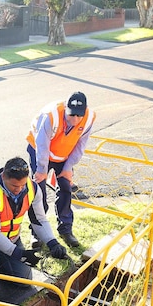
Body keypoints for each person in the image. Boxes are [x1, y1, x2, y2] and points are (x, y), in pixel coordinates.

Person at [0, 157, 67, 299]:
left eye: (22, 185)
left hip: (12, 240)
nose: (18, 190)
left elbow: (39, 219)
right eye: (14, 186)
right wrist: (18, 254)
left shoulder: (33, 188)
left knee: (24, 282)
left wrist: (52, 242)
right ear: (3, 177)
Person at [25, 91, 95, 248]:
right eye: (71, 115)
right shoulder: (50, 115)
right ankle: (37, 232)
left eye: (79, 116)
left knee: (65, 187)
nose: (75, 120)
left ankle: (65, 229)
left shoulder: (89, 118)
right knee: (38, 192)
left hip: (64, 155)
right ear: (66, 107)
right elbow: (42, 146)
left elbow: (80, 145)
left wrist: (68, 167)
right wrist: (42, 170)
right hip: (40, 151)